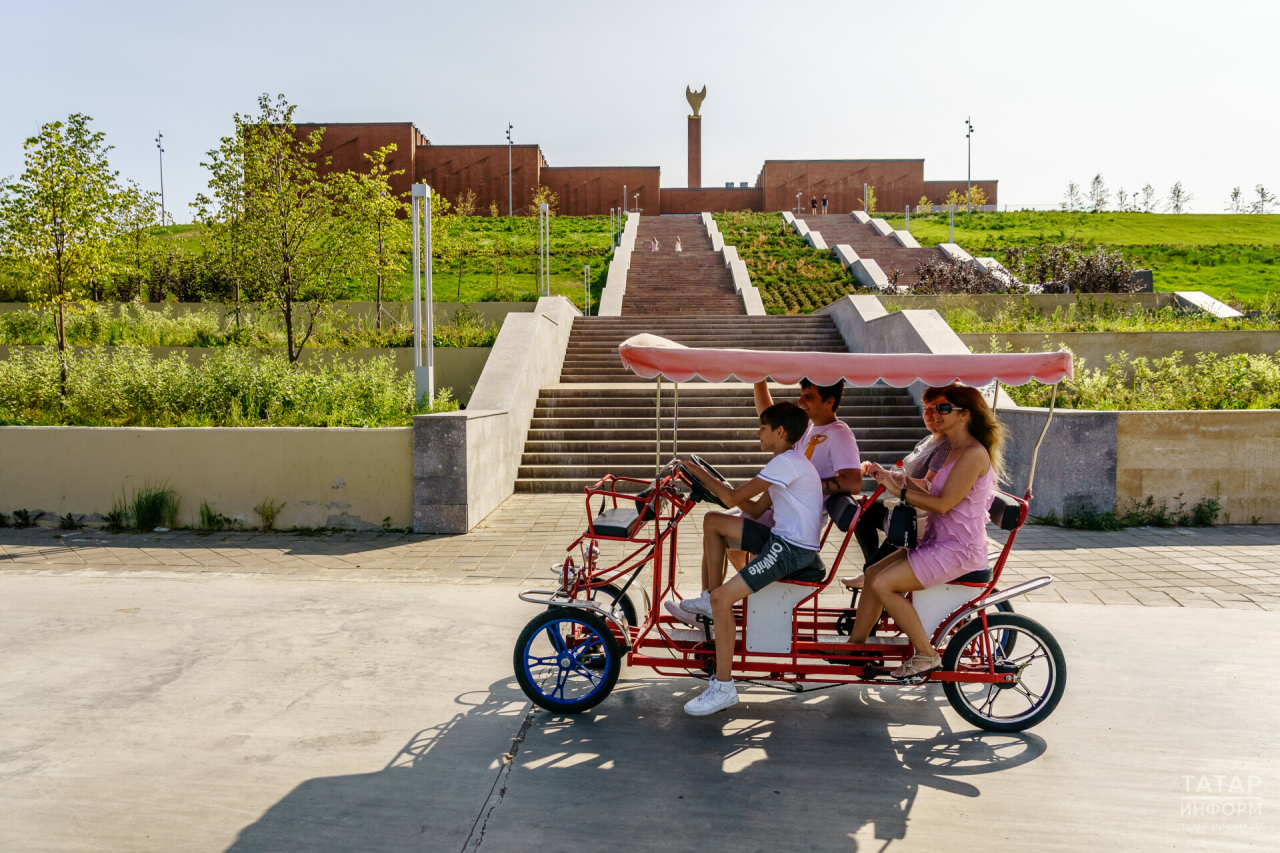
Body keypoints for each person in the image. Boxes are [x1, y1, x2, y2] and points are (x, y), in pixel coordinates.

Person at [666, 402, 823, 716]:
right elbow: (754, 508)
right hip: (782, 538)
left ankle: (723, 687)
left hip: (791, 549)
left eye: (763, 428)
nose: (758, 433)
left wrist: (697, 472)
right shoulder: (788, 461)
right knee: (713, 521)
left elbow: (732, 498)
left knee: (725, 599)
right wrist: (716, 486)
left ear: (780, 432)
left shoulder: (787, 462)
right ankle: (709, 599)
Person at [842, 383, 1004, 679]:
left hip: (959, 550)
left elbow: (943, 503)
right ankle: (855, 647)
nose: (935, 413)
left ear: (965, 414)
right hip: (938, 541)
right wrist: (894, 479)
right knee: (872, 573)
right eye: (933, 408)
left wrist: (898, 490)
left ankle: (926, 655)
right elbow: (930, 489)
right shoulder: (954, 449)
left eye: (944, 408)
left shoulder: (973, 454)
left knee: (883, 584)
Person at [723, 379, 861, 570]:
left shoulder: (839, 433)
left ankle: (744, 584)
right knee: (722, 525)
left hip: (796, 521)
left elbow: (854, 483)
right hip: (782, 509)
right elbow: (771, 418)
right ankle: (745, 584)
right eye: (801, 395)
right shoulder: (809, 426)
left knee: (719, 527)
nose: (800, 401)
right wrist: (759, 379)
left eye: (809, 397)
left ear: (830, 401)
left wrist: (804, 484)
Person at [843, 387, 952, 586]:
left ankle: (872, 572)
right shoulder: (928, 439)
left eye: (935, 409)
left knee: (874, 575)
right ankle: (871, 565)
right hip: (899, 509)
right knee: (858, 511)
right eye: (925, 408)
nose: (927, 414)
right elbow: (904, 473)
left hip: (913, 520)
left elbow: (929, 486)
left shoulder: (946, 445)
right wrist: (884, 474)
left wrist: (890, 477)